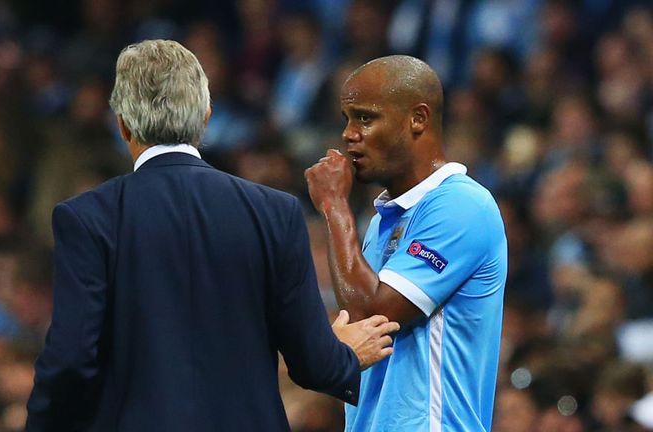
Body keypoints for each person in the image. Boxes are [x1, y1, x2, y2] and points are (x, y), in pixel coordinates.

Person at [25, 40, 400, 432]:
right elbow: (313, 365)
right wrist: (343, 354)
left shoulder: (86, 218)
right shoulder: (275, 212)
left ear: (123, 124)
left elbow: (71, 360)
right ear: (205, 116)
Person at [305, 55, 508, 431]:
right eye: (347, 119)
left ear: (418, 118)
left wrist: (334, 206)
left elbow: (372, 316)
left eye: (365, 118)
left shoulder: (462, 205)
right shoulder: (381, 224)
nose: (349, 134)